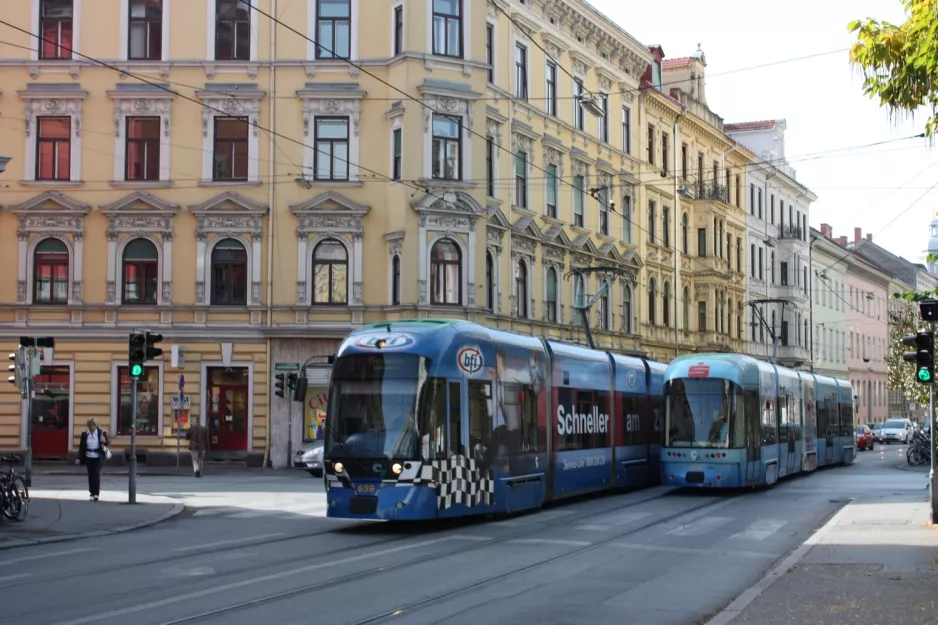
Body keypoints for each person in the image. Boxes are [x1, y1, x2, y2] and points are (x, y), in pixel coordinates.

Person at [76, 418, 109, 501]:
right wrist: (78, 458)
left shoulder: (101, 433)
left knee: (96, 474)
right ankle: (92, 493)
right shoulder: (85, 434)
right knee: (91, 475)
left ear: (96, 425)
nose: (92, 427)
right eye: (91, 425)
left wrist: (104, 441)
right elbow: (81, 447)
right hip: (88, 456)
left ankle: (96, 494)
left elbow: (107, 443)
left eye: (94, 425)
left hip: (98, 457)